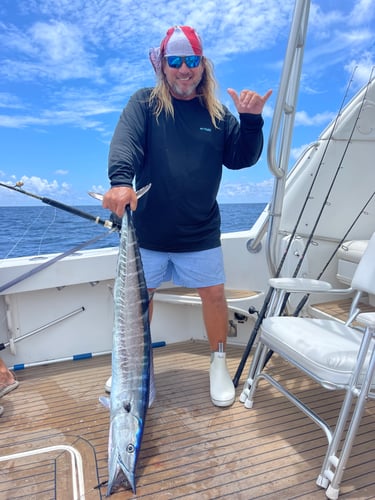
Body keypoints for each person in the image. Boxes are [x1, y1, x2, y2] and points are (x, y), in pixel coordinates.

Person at [102, 25, 272, 407]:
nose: (183, 69)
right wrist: (119, 182)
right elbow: (125, 143)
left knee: (213, 297)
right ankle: (130, 367)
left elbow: (241, 158)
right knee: (138, 302)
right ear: (162, 65)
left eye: (190, 60)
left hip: (199, 232)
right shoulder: (145, 104)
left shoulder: (216, 113)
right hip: (147, 231)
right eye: (174, 61)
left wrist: (251, 121)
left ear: (202, 64)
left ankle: (218, 364)